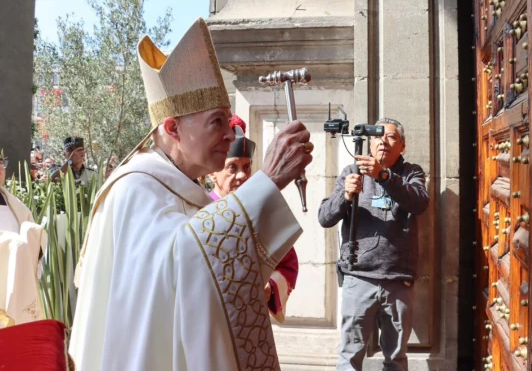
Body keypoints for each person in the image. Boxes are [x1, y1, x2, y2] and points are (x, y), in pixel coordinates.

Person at [69, 18, 313, 370]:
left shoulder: (181, 187)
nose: (230, 136)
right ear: (172, 128)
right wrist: (267, 182)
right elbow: (185, 265)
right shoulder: (135, 188)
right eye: (217, 122)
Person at [318, 118, 429, 371]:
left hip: (398, 280)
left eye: (391, 137)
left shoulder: (411, 172)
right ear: (369, 143)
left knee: (396, 359)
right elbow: (324, 217)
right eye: (378, 137)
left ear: (402, 145)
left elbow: (420, 203)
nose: (383, 142)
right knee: (350, 356)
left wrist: (384, 176)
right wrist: (345, 196)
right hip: (359, 278)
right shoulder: (351, 172)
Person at [209, 114, 299, 323]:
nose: (242, 175)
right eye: (232, 167)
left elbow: (288, 263)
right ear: (213, 173)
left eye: (247, 167)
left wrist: (271, 286)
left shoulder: (261, 211)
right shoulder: (198, 209)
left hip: (251, 319)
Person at [0, 153, 47, 327]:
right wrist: (11, 244)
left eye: (1, 162)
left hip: (15, 277)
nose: (0, 167)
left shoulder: (14, 203)